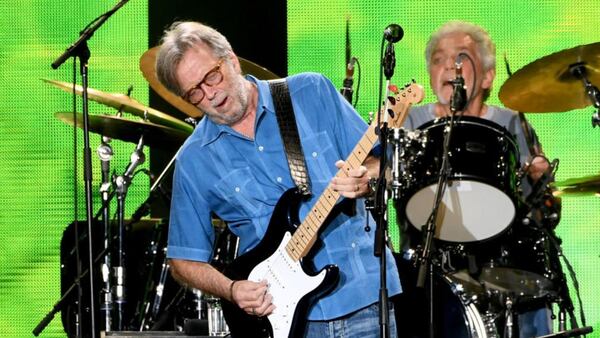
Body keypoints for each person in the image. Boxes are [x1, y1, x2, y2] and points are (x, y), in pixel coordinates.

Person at [154, 21, 401, 338]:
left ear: (231, 59)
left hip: (360, 298)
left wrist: (364, 179)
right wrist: (231, 289)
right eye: (195, 93)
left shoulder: (311, 92)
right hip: (277, 318)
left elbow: (383, 163)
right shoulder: (193, 159)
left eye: (211, 77)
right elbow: (183, 260)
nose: (210, 94)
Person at [395, 21, 555, 337]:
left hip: (500, 268)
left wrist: (539, 182)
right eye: (438, 59)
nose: (447, 67)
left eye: (460, 58)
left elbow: (545, 214)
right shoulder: (410, 120)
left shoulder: (512, 122)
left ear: (488, 75)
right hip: (429, 273)